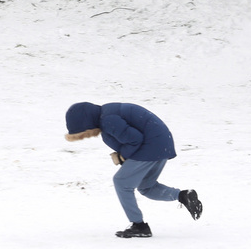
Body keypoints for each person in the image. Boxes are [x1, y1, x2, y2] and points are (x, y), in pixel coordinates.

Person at [64, 102, 202, 238]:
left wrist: (121, 155)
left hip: (151, 145)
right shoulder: (107, 115)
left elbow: (135, 139)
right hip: (161, 144)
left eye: (84, 131)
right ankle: (183, 196)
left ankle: (139, 226)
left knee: (121, 182)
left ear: (86, 121)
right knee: (147, 187)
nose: (86, 135)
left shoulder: (108, 120)